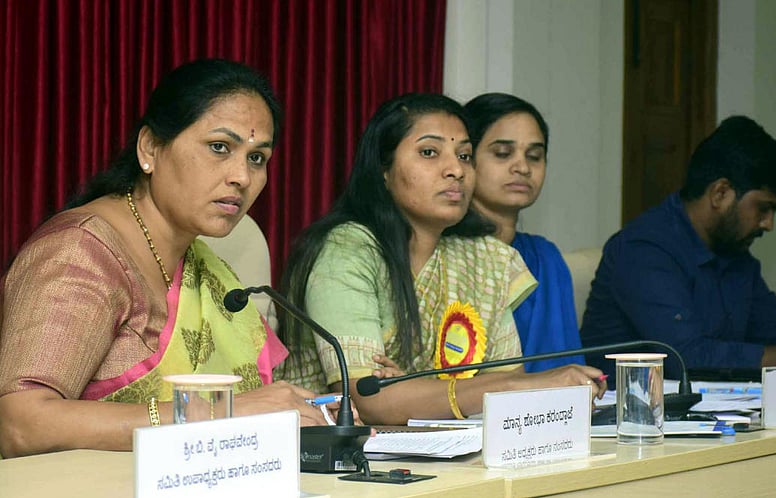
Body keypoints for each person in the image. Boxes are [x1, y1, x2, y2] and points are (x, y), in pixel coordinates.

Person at [0, 59, 336, 458]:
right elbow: (20, 425)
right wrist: (217, 415)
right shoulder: (79, 252)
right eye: (219, 148)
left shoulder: (204, 266)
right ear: (150, 149)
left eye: (257, 158)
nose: (242, 177)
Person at [279, 93, 605, 425]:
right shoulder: (348, 249)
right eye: (429, 153)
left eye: (464, 156)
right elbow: (367, 399)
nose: (456, 170)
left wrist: (414, 391)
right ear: (383, 170)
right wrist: (512, 386)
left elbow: (504, 405)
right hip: (333, 459)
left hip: (453, 456)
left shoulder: (489, 260)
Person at [580, 115, 776, 385]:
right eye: (763, 208)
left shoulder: (735, 256)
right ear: (721, 193)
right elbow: (686, 358)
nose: (769, 224)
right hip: (633, 432)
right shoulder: (643, 249)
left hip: (719, 424)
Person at [464, 93, 584, 372]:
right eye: (503, 153)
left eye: (535, 156)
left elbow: (566, 369)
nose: (522, 167)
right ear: (466, 159)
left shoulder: (546, 257)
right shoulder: (446, 256)